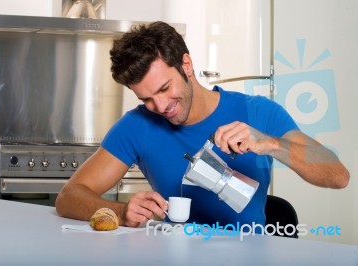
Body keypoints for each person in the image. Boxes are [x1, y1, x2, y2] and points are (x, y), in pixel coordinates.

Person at [55, 21, 349, 229]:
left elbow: (337, 175)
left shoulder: (257, 112)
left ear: (186, 65)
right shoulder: (137, 125)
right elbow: (69, 197)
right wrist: (121, 211)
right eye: (146, 99)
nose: (160, 107)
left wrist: (271, 143)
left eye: (164, 88)